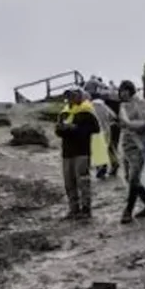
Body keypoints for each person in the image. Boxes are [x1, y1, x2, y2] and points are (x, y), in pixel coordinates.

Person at [54, 89, 101, 220]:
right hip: (67, 152)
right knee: (69, 182)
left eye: (73, 95)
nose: (70, 98)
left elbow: (95, 129)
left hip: (82, 151)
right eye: (68, 96)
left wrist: (76, 129)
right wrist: (61, 129)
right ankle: (73, 209)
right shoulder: (64, 113)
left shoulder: (86, 111)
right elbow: (58, 131)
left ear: (79, 96)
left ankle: (86, 209)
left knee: (83, 181)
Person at [117, 80, 145, 223]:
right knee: (129, 178)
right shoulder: (123, 106)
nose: (122, 94)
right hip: (127, 145)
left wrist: (134, 125)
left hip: (140, 145)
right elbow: (125, 123)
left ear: (130, 90)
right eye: (121, 91)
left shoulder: (141, 103)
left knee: (135, 177)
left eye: (125, 90)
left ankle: (128, 211)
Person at [88, 95, 116, 179]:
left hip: (96, 130)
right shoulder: (104, 106)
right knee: (109, 148)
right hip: (107, 130)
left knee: (98, 150)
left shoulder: (90, 107)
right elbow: (113, 116)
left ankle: (101, 167)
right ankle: (114, 164)